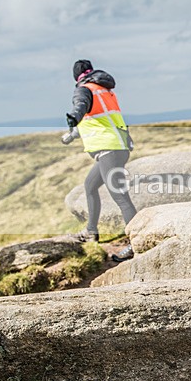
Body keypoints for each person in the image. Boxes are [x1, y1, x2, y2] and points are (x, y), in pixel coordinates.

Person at [64, 59, 137, 263]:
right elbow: (100, 118)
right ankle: (91, 232)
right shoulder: (104, 89)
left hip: (108, 150)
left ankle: (135, 244)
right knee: (90, 186)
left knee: (121, 199)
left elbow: (80, 107)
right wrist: (73, 132)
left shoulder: (84, 90)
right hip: (118, 146)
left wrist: (73, 117)